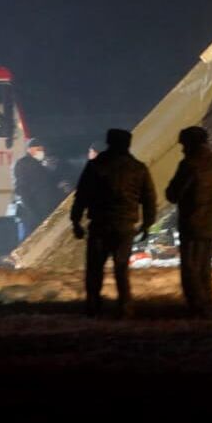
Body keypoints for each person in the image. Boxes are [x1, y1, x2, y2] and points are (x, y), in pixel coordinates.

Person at [70, 128, 157, 318]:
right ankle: (125, 306)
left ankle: (93, 306)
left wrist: (76, 221)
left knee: (94, 268)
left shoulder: (95, 166)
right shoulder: (138, 168)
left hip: (100, 224)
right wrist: (147, 224)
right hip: (125, 226)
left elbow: (81, 196)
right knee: (121, 268)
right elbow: (149, 199)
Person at [165, 126, 212, 319]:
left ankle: (199, 309)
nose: (182, 149)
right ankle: (208, 305)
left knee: (191, 271)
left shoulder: (189, 165)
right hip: (211, 223)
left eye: (183, 144)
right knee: (204, 270)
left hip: (192, 224)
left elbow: (172, 194)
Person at [12, 137, 68, 236]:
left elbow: (46, 186)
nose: (41, 152)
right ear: (30, 149)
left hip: (38, 212)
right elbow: (23, 190)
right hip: (32, 213)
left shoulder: (39, 165)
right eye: (38, 150)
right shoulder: (24, 164)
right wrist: (32, 211)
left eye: (42, 150)